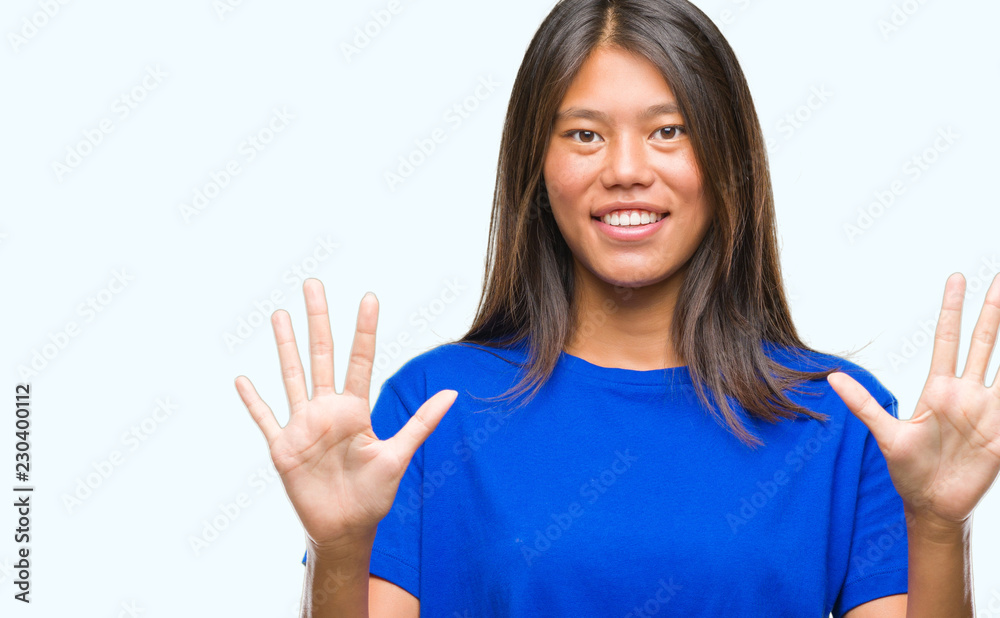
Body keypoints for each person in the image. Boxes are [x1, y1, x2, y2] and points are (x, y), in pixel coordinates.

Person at [234, 0, 1000, 616]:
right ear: (538, 168)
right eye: (585, 135)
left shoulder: (842, 420)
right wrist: (337, 550)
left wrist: (938, 527)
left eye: (669, 131)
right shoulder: (434, 410)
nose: (627, 169)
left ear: (727, 160)